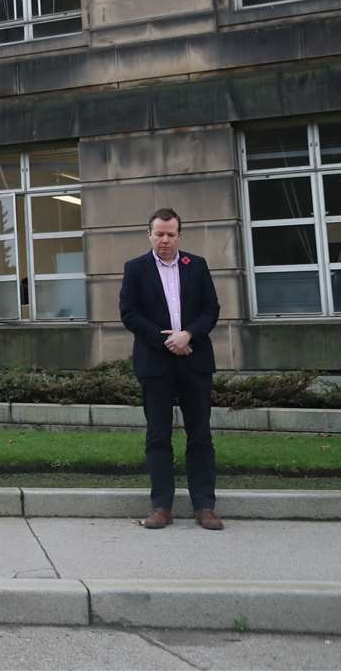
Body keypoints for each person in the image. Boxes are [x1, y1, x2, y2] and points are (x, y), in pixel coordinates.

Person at [119, 207, 223, 531]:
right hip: (156, 364)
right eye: (159, 234)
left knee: (200, 435)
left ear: (179, 235)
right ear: (149, 234)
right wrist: (166, 341)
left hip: (195, 361)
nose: (165, 240)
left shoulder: (197, 266)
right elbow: (129, 313)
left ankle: (205, 506)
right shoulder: (135, 269)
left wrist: (188, 334)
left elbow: (211, 309)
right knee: (158, 436)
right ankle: (161, 506)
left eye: (171, 234)